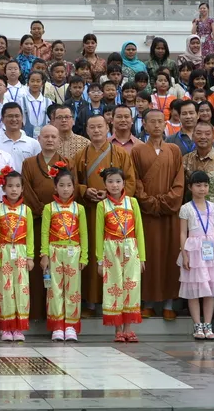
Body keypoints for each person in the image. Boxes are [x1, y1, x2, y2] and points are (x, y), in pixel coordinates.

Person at [73, 115, 135, 316]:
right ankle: (91, 303)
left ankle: (117, 302)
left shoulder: (120, 154)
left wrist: (111, 195)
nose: (96, 130)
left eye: (100, 126)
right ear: (87, 131)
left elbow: (131, 182)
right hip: (91, 212)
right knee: (93, 254)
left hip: (116, 214)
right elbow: (72, 183)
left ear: (108, 127)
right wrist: (84, 190)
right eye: (92, 127)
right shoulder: (81, 155)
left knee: (114, 257)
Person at [131, 109, 185, 320]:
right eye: (151, 122)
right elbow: (135, 181)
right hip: (147, 214)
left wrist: (165, 202)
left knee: (170, 256)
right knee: (149, 256)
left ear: (165, 124)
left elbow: (179, 183)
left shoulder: (173, 150)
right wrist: (148, 202)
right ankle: (148, 302)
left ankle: (169, 303)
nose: (156, 125)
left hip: (169, 213)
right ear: (143, 124)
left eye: (160, 121)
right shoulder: (137, 151)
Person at [21, 124, 72, 319]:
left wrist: (55, 212)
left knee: (59, 267)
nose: (50, 140)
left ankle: (58, 313)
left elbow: (70, 188)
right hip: (36, 220)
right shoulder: (29, 163)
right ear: (39, 139)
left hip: (61, 223)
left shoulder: (66, 163)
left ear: (59, 140)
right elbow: (26, 189)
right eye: (46, 137)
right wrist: (43, 211)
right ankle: (35, 311)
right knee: (36, 267)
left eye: (53, 137)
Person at [40, 163, 88, 342]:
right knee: (54, 289)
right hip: (54, 251)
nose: (65, 189)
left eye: (69, 185)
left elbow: (83, 233)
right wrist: (44, 254)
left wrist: (84, 256)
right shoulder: (49, 208)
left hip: (73, 251)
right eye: (61, 185)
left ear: (73, 186)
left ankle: (71, 326)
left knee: (73, 290)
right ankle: (57, 325)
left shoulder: (79, 209)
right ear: (55, 187)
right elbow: (44, 233)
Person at [97, 166, 145, 342]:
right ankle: (118, 329)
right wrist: (99, 261)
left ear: (124, 183)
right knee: (114, 286)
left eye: (118, 181)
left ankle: (128, 328)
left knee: (131, 286)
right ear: (105, 184)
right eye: (110, 182)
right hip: (110, 250)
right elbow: (99, 234)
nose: (115, 185)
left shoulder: (132, 202)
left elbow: (139, 230)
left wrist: (142, 257)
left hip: (131, 248)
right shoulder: (102, 205)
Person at [179, 170, 214, 340]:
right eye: (198, 185)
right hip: (194, 251)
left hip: (211, 251)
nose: (202, 189)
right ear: (191, 187)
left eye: (205, 185)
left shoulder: (213, 207)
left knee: (210, 289)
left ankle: (208, 324)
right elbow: (183, 233)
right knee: (194, 289)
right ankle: (197, 325)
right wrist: (184, 254)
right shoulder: (186, 208)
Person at [0, 165, 34, 342]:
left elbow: (30, 235)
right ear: (3, 188)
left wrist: (30, 256)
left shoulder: (26, 210)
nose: (14, 189)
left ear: (22, 188)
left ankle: (19, 327)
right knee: (5, 290)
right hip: (4, 252)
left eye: (17, 186)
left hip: (22, 253)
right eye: (10, 186)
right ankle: (7, 328)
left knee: (22, 290)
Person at [0, 103, 41, 170]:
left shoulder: (33, 144)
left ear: (22, 118)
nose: (14, 119)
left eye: (17, 116)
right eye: (10, 116)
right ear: (2, 119)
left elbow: (38, 169)